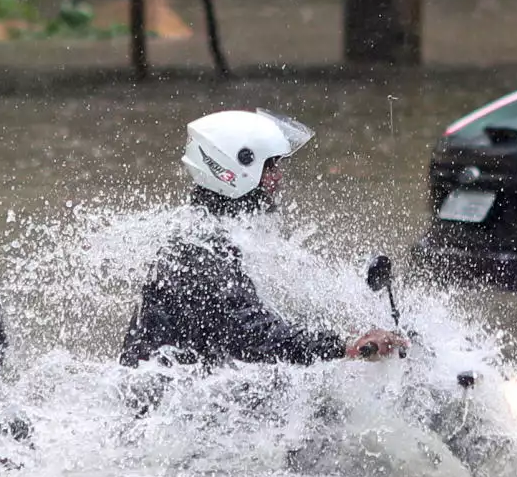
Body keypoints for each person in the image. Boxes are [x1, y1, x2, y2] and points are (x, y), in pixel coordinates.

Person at [120, 109, 406, 369]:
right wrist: (344, 346)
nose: (278, 179)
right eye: (270, 167)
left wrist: (347, 328)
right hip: (169, 412)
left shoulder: (216, 239)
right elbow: (255, 335)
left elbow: (267, 318)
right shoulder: (198, 254)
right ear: (233, 171)